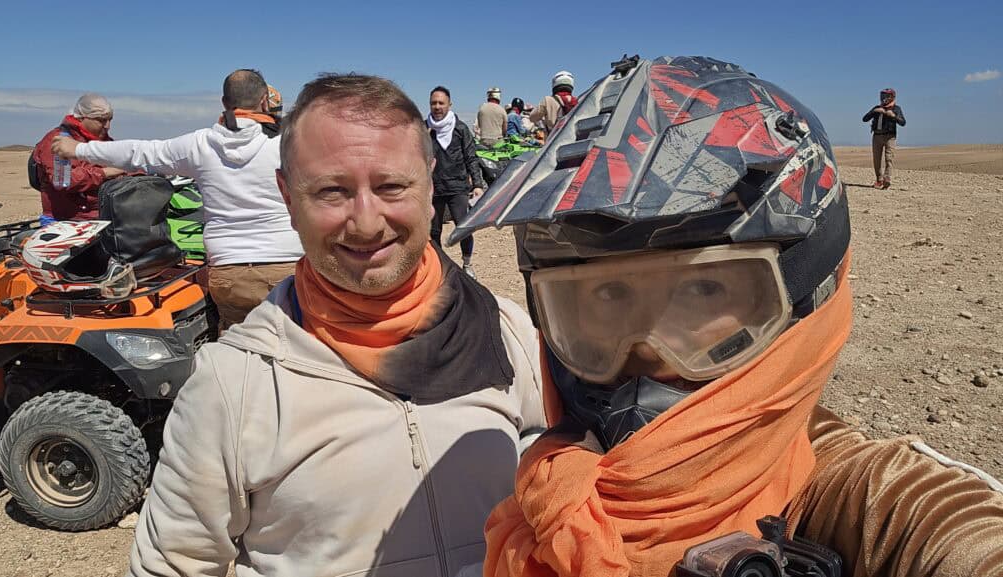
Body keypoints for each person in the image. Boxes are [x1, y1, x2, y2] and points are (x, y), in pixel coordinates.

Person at [452, 55, 1003, 577]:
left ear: (808, 302)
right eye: (605, 297)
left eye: (703, 290)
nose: (647, 357)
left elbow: (959, 536)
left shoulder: (868, 497)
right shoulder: (547, 491)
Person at [125, 73, 545, 577]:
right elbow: (175, 564)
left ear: (431, 185)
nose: (367, 222)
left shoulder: (507, 333)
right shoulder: (234, 384)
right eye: (331, 191)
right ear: (286, 195)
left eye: (391, 185)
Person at [53, 69, 303, 330]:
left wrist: (79, 149)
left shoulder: (199, 145)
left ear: (224, 103)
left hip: (229, 271)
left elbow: (142, 152)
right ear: (265, 100)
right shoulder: (286, 144)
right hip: (286, 266)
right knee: (296, 346)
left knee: (241, 348)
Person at [32, 93, 126, 225]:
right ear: (82, 118)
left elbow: (124, 165)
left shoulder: (105, 141)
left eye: (110, 120)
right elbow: (64, 181)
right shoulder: (58, 140)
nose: (107, 126)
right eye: (101, 120)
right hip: (64, 221)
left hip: (101, 217)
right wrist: (105, 173)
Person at [427, 85, 486, 279]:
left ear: (449, 105)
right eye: (433, 103)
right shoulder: (423, 129)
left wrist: (477, 184)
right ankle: (438, 267)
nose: (437, 107)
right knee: (433, 230)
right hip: (433, 188)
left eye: (441, 103)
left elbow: (471, 157)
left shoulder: (460, 129)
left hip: (458, 187)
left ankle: (467, 263)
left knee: (463, 227)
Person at [862, 88, 906, 189]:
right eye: (882, 96)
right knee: (876, 159)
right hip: (877, 136)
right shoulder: (877, 108)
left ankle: (887, 179)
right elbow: (864, 119)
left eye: (886, 96)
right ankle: (879, 179)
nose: (884, 98)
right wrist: (874, 112)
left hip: (890, 137)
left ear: (892, 97)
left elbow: (903, 122)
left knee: (889, 158)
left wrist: (893, 116)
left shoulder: (896, 109)